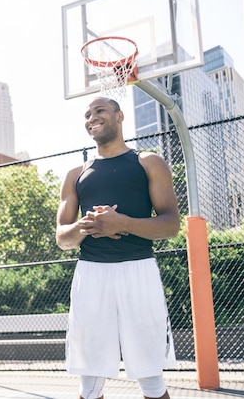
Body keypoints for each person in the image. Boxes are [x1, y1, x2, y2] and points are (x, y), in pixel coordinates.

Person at [56, 97, 180, 399]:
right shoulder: (76, 174)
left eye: (99, 111)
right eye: (87, 114)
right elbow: (63, 238)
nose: (91, 118)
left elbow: (170, 225)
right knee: (90, 385)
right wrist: (87, 226)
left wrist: (121, 223)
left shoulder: (148, 162)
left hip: (138, 270)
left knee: (151, 378)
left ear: (119, 116)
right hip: (91, 274)